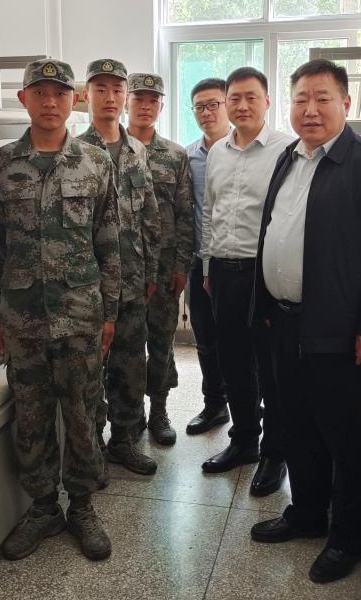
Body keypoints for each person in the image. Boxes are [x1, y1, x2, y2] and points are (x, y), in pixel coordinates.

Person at [249, 59, 361, 583]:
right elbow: (274, 232)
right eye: (301, 98)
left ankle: (347, 537)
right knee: (295, 425)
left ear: (346, 103)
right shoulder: (289, 158)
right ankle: (307, 513)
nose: (311, 109)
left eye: (322, 98)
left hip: (339, 329)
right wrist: (265, 307)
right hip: (284, 321)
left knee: (344, 435)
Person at [0, 58, 121, 562]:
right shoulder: (0, 164)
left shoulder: (95, 163)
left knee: (82, 412)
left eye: (60, 93)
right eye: (39, 92)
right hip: (22, 316)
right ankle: (43, 508)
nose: (49, 101)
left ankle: (82, 506)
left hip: (81, 312)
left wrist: (110, 313)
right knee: (32, 414)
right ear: (23, 99)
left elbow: (109, 243)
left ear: (73, 100)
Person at [199, 66, 293, 497]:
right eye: (234, 97)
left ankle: (276, 453)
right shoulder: (217, 151)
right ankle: (244, 442)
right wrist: (206, 268)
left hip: (264, 273)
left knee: (271, 368)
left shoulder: (286, 149)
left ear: (267, 101)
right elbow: (210, 211)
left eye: (250, 97)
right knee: (233, 363)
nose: (241, 105)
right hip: (223, 270)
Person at [78, 58, 162, 476]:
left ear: (125, 96)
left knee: (131, 366)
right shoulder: (74, 152)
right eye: (101, 89)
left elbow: (149, 216)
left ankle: (124, 441)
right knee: (92, 370)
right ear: (86, 95)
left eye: (117, 89)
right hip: (89, 286)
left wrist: (151, 272)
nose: (109, 97)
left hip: (132, 281)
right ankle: (92, 447)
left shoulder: (137, 151)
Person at [126, 72, 194, 446]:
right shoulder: (109, 151)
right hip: (123, 266)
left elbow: (185, 214)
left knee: (162, 342)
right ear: (127, 102)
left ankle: (159, 409)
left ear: (162, 106)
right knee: (125, 345)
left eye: (153, 100)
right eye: (139, 98)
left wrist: (182, 265)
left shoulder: (175, 155)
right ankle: (129, 412)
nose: (146, 106)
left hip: (165, 266)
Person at [183, 78, 231, 435]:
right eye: (200, 106)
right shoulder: (187, 158)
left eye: (214, 104)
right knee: (206, 340)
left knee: (242, 342)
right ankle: (214, 404)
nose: (207, 112)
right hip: (198, 263)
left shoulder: (245, 152)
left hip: (237, 264)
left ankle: (252, 406)